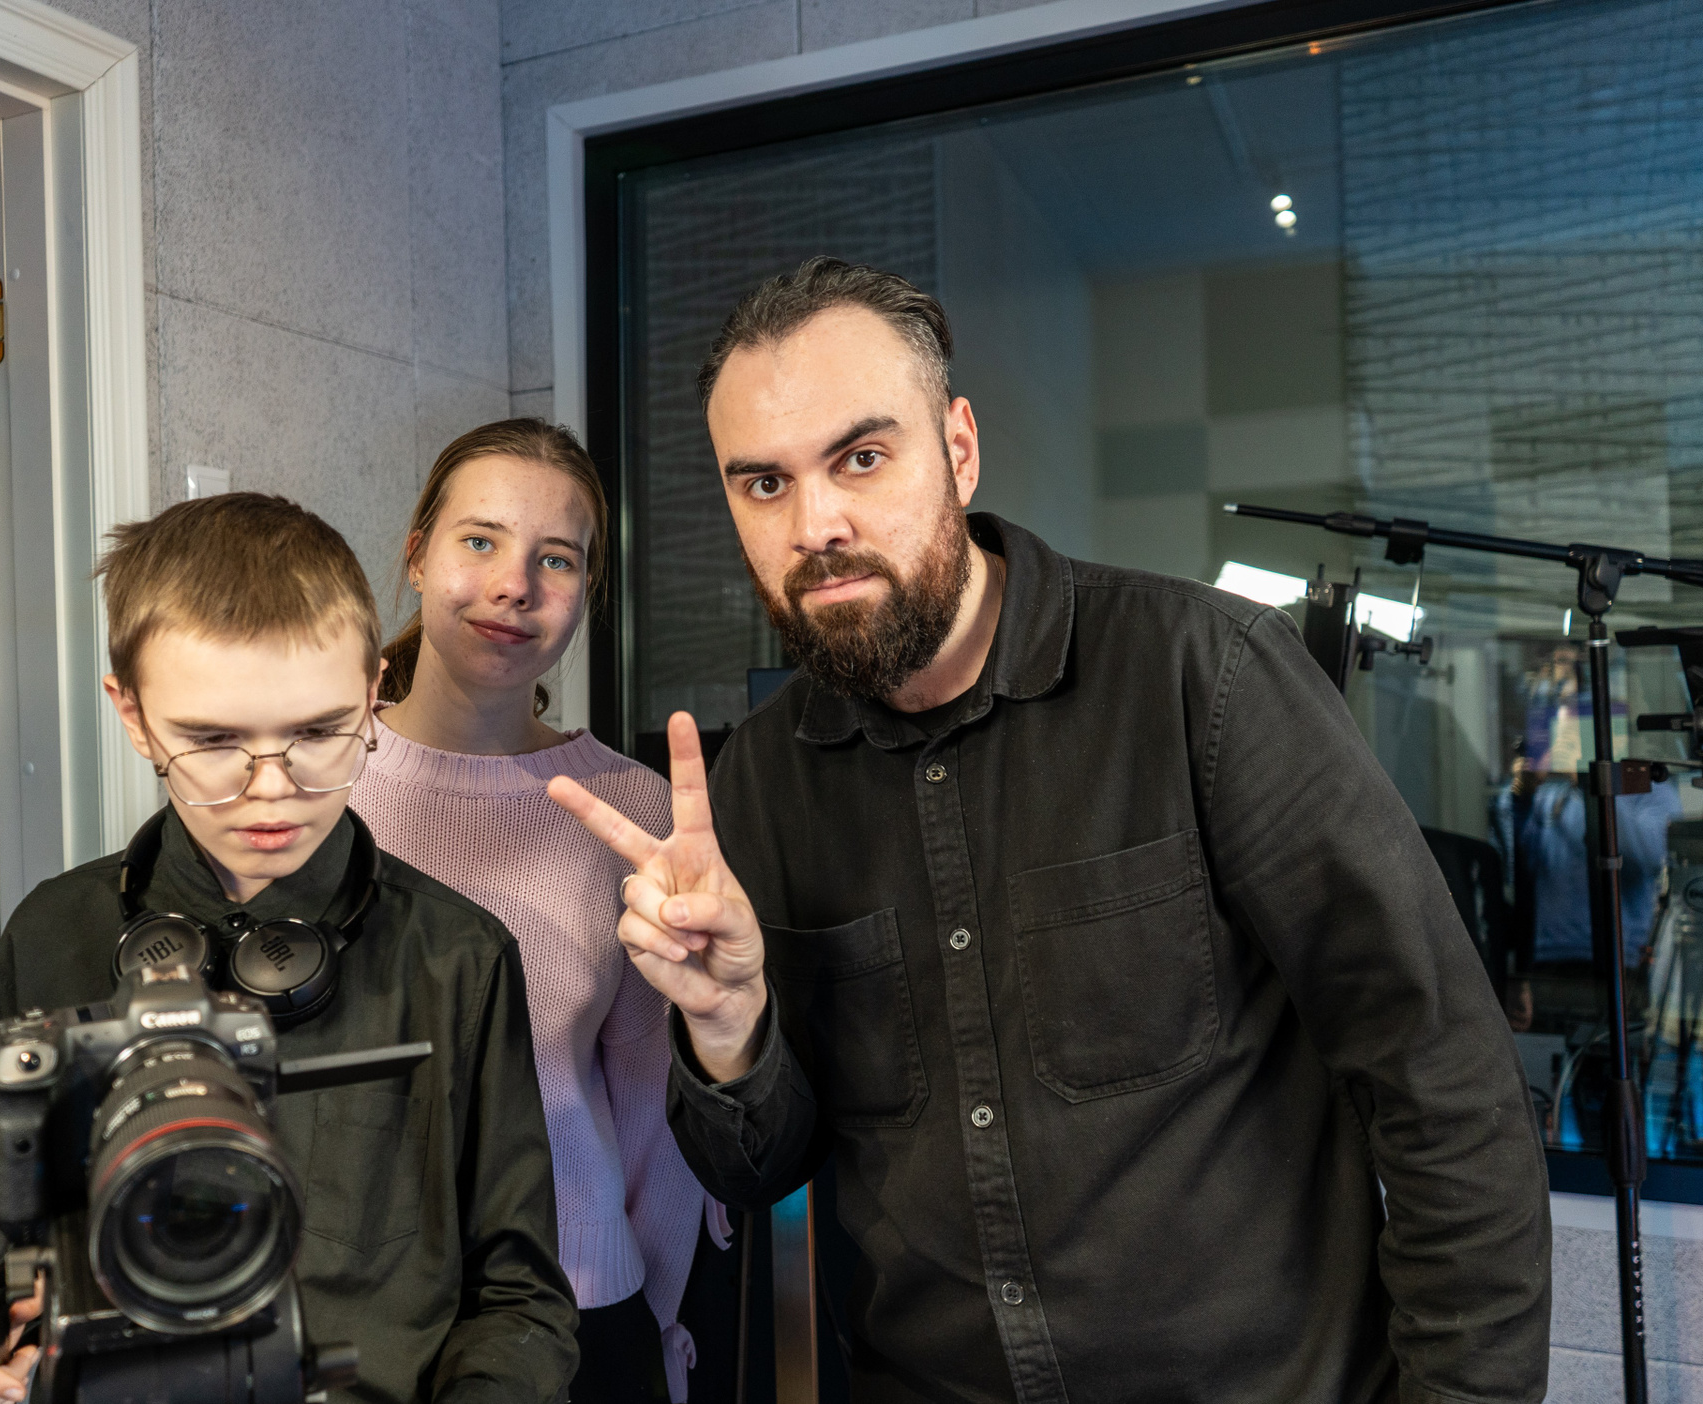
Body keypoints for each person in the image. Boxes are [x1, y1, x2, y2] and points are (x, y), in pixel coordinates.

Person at [551, 258, 1552, 1401]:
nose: (815, 524)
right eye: (764, 484)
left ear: (959, 448)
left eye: (861, 458)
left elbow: (1445, 1086)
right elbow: (758, 1165)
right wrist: (729, 1027)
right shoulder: (765, 782)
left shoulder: (1204, 679)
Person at [0, 493, 576, 1404]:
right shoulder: (51, 933)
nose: (273, 789)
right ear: (133, 715)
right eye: (214, 740)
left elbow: (519, 1300)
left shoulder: (460, 958)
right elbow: (4, 1238)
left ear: (374, 694)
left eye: (318, 732)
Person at [354, 419, 718, 1404]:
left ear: (586, 593)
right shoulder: (307, 787)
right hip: (356, 1319)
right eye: (480, 540)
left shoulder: (633, 810)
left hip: (581, 1307)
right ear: (417, 555)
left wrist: (657, 1321)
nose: (515, 584)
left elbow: (651, 1103)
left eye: (556, 559)